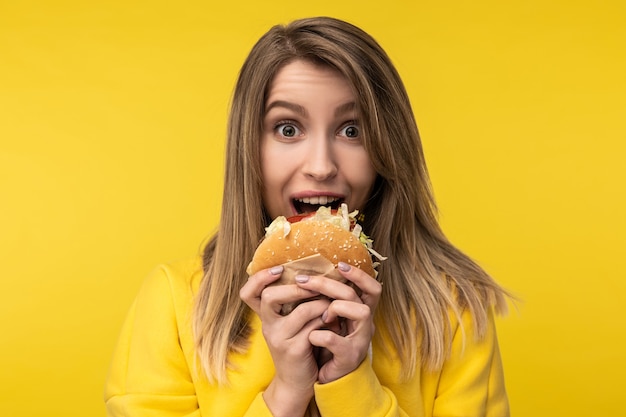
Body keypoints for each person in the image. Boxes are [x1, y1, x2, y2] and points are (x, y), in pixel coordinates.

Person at [104, 16, 510, 417]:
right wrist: (285, 394)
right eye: (287, 128)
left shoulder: (453, 309)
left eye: (352, 130)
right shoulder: (175, 304)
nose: (320, 166)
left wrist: (352, 385)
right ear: (249, 149)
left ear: (388, 150)